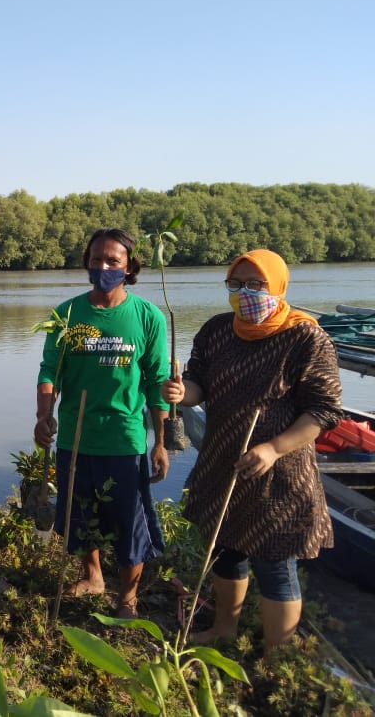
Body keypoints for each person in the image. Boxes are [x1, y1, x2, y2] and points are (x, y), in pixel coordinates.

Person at [162, 249, 340, 653]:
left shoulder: (305, 337)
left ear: (276, 285)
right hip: (223, 462)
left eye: (255, 284)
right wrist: (181, 392)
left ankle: (276, 655)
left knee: (275, 564)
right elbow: (197, 386)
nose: (245, 293)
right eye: (236, 284)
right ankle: (224, 629)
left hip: (278, 472)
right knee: (226, 552)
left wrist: (273, 449)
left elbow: (324, 412)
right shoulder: (218, 330)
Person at [34, 228, 169, 618]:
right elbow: (49, 372)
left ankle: (127, 597)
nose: (104, 267)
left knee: (130, 526)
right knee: (79, 518)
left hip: (125, 440)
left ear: (130, 267)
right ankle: (93, 577)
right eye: (96, 260)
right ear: (86, 264)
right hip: (76, 438)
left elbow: (157, 380)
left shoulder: (147, 317)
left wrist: (160, 441)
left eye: (113, 261)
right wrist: (44, 415)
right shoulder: (67, 314)